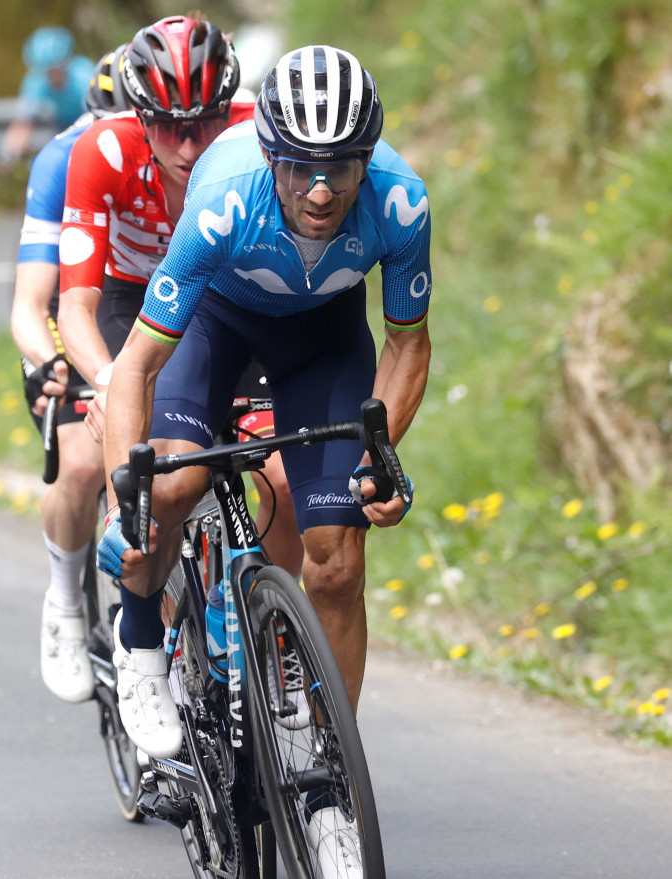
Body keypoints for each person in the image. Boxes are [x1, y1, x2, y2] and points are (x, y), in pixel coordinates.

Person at [97, 44, 431, 876]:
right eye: (302, 171)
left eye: (342, 170)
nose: (322, 193)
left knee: (338, 562)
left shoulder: (401, 204)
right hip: (217, 325)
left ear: (368, 161)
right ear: (271, 154)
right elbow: (135, 366)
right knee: (173, 482)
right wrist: (124, 494)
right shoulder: (220, 203)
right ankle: (141, 636)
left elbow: (405, 344)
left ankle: (326, 778)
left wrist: (379, 454)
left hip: (325, 342)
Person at [36, 14, 301, 706]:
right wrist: (105, 384)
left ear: (231, 109)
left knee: (278, 465)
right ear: (139, 114)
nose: (188, 145)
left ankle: (272, 630)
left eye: (206, 120)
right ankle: (137, 636)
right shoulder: (103, 151)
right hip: (133, 300)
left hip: (225, 298)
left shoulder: (259, 137)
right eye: (167, 125)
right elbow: (76, 306)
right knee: (134, 463)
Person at [11, 44, 130, 703]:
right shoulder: (62, 160)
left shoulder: (185, 149)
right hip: (77, 310)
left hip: (150, 306)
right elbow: (31, 303)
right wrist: (47, 359)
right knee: (83, 465)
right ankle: (64, 599)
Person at [0, 26, 93, 171]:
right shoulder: (35, 83)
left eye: (54, 71)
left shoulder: (84, 77)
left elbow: (100, 119)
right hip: (60, 130)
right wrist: (7, 153)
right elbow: (23, 124)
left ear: (65, 64)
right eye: (46, 72)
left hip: (89, 127)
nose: (50, 77)